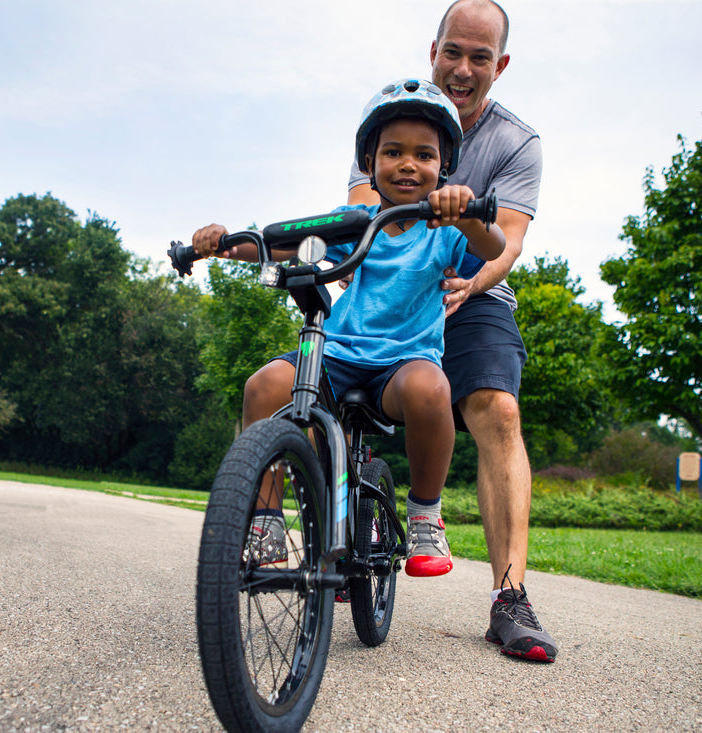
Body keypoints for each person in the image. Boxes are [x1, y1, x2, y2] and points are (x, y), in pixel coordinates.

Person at [192, 79, 505, 578]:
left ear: (443, 167)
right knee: (263, 385)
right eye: (393, 152)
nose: (408, 164)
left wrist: (466, 214)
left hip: (402, 366)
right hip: (337, 356)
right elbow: (282, 242)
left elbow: (492, 249)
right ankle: (267, 519)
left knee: (432, 390)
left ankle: (425, 514)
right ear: (369, 163)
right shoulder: (354, 222)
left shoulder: (447, 229)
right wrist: (224, 242)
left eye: (425, 155)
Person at [347, 0, 557, 662]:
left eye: (480, 57)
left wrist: (473, 278)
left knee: (497, 406)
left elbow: (510, 240)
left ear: (501, 65)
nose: (463, 69)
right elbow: (359, 218)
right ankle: (350, 499)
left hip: (475, 282)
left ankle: (510, 597)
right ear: (432, 50)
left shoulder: (518, 141)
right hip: (396, 273)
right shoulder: (392, 117)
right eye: (452, 52)